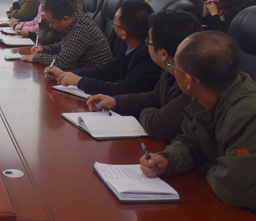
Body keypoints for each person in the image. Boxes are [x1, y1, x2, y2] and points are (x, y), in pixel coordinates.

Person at [140, 31, 256, 217]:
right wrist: (168, 159)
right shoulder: (207, 95)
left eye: (173, 66)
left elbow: (234, 189)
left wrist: (206, 165)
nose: (171, 70)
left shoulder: (250, 115)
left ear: (188, 81)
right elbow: (193, 141)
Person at [86, 10, 201, 143]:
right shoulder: (169, 69)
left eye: (149, 41)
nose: (146, 45)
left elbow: (156, 126)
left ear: (163, 54)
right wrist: (117, 101)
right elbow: (155, 97)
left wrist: (147, 112)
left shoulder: (192, 86)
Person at [45, 0, 160, 97]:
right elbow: (108, 70)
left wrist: (80, 81)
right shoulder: (128, 42)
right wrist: (71, 75)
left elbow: (122, 90)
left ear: (124, 34)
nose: (112, 24)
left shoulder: (148, 57)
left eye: (114, 22)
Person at [21, 0, 112, 69]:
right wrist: (44, 49)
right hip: (81, 71)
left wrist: (36, 57)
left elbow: (61, 62)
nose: (50, 26)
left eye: (51, 22)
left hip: (96, 77)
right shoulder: (77, 18)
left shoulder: (80, 28)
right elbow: (65, 44)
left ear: (65, 19)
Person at [13, 0, 78, 45]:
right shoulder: (67, 11)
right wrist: (29, 34)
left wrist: (16, 26)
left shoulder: (62, 17)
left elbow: (46, 40)